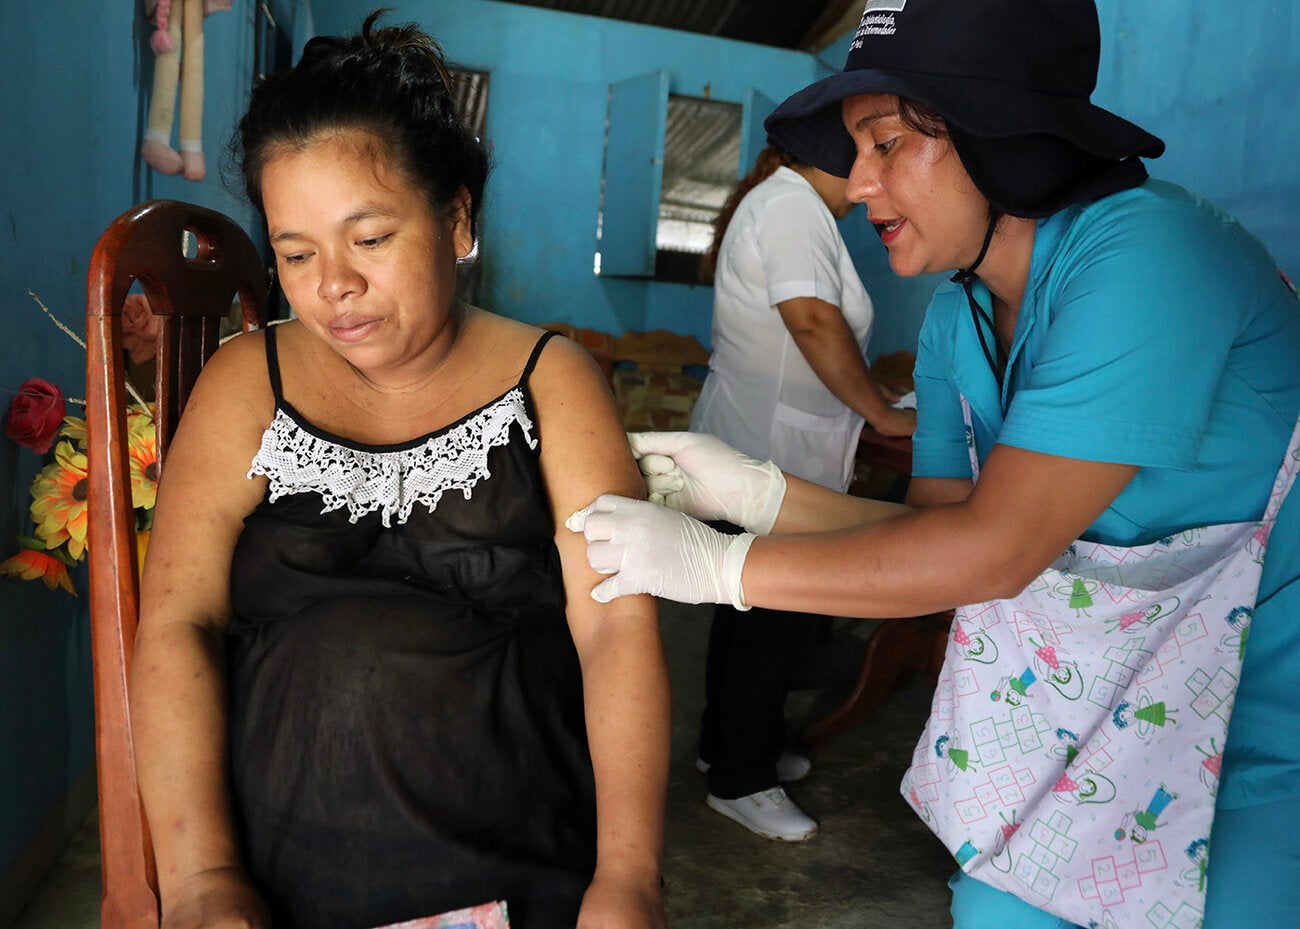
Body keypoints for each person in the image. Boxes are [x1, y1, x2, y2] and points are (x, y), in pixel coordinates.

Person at [568, 1, 1300, 927]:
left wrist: (722, 566)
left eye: (885, 144)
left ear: (1002, 136)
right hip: (1098, 730)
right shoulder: (959, 314)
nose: (858, 183)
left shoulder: (1148, 255)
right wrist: (756, 495)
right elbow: (935, 547)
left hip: (1256, 743)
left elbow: (993, 553)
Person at [130, 13, 669, 929]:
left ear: (456, 218)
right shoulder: (245, 384)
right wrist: (199, 879)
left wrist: (628, 880)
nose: (331, 284)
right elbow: (177, 621)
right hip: (281, 879)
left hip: (515, 869)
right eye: (295, 253)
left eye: (369, 239)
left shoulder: (552, 381)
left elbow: (616, 633)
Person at [688, 141, 914, 842]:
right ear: (833, 155)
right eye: (872, 153)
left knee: (749, 606)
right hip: (773, 453)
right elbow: (812, 321)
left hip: (766, 442)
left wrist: (875, 392)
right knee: (771, 613)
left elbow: (821, 334)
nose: (878, 176)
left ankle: (726, 745)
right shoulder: (791, 206)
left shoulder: (791, 205)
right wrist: (881, 413)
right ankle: (741, 779)